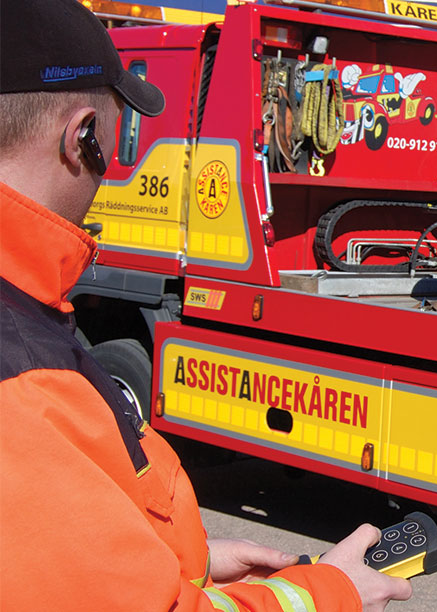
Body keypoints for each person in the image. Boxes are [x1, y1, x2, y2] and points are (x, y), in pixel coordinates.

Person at [0, 1, 413, 610]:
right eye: (115, 142)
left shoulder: (25, 322)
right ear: (79, 137)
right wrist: (328, 594)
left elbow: (68, 562)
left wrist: (180, 555)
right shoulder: (23, 385)